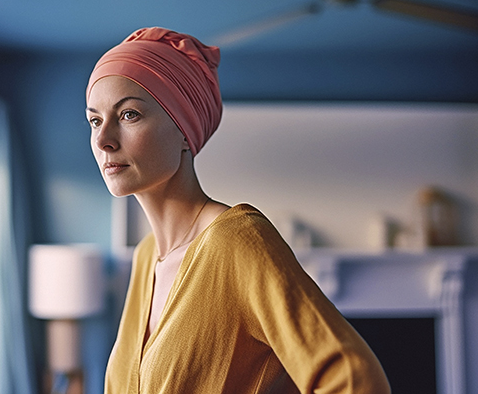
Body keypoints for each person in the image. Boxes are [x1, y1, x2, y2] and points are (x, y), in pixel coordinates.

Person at [85, 27, 390, 394]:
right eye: (95, 120)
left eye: (129, 114)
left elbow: (357, 379)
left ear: (184, 130)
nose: (103, 140)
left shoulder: (238, 242)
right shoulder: (147, 257)